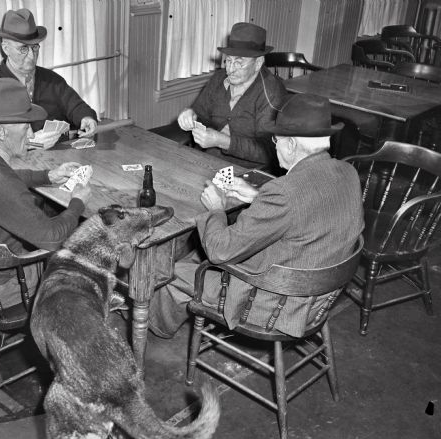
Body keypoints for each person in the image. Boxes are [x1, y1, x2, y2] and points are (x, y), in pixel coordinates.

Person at [150, 94, 365, 338]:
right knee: (193, 258)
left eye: (277, 139)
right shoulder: (348, 172)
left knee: (169, 274)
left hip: (274, 302)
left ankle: (156, 329)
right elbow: (309, 208)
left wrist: (216, 208)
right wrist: (258, 197)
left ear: (292, 144)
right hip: (319, 293)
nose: (274, 145)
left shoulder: (284, 193)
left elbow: (220, 251)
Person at [0, 78, 91, 309]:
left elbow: (3, 180)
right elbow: (52, 237)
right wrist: (77, 203)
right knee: (83, 259)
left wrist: (47, 176)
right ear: (2, 132)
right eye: (26, 127)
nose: (32, 134)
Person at [0, 8, 98, 151]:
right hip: (14, 160)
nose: (32, 56)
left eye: (35, 47)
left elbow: (77, 106)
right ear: (6, 49)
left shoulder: (52, 79)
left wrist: (87, 118)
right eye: (23, 48)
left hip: (57, 155)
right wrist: (31, 144)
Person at [177, 22, 287, 170]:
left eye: (239, 63)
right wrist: (190, 114)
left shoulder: (272, 92)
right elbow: (199, 113)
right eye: (228, 60)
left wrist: (223, 142)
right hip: (207, 161)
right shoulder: (218, 79)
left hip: (248, 171)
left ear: (258, 63)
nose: (230, 69)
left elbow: (269, 152)